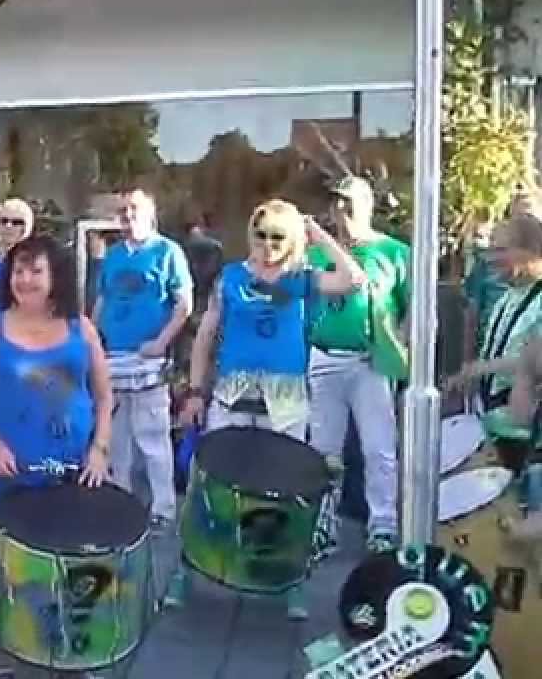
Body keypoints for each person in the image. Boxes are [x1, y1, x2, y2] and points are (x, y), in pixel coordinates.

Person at [173, 198, 364, 618]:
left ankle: (287, 579)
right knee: (214, 482)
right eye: (261, 235)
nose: (268, 244)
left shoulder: (302, 278)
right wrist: (194, 391)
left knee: (284, 490)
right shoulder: (231, 277)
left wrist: (319, 236)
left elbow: (353, 279)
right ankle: (190, 569)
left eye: (278, 236)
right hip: (233, 390)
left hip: (285, 396)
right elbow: (206, 335)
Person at [0, 234, 112, 500]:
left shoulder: (82, 328)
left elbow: (104, 395)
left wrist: (99, 449)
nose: (25, 280)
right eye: (18, 271)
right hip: (11, 474)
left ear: (55, 277)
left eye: (36, 271)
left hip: (79, 471)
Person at [306, 175, 410, 554]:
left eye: (349, 203)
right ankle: (322, 524)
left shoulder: (395, 252)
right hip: (324, 355)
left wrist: (400, 346)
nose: (342, 211)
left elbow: (412, 308)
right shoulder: (316, 253)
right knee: (324, 449)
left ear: (367, 205)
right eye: (337, 203)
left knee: (378, 447)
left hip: (371, 360)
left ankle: (382, 523)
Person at [91, 188, 192, 528]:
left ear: (151, 213)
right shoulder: (114, 255)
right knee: (116, 436)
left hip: (148, 358)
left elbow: (184, 305)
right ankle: (122, 503)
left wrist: (162, 342)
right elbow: (102, 301)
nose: (129, 216)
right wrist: (92, 339)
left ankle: (162, 509)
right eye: (124, 211)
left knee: (153, 436)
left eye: (136, 209)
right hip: (113, 357)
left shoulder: (168, 252)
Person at [447, 213, 542, 418]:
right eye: (490, 251)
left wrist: (480, 368)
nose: (492, 260)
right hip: (496, 415)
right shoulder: (507, 297)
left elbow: (536, 361)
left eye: (501, 250)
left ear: (531, 251)